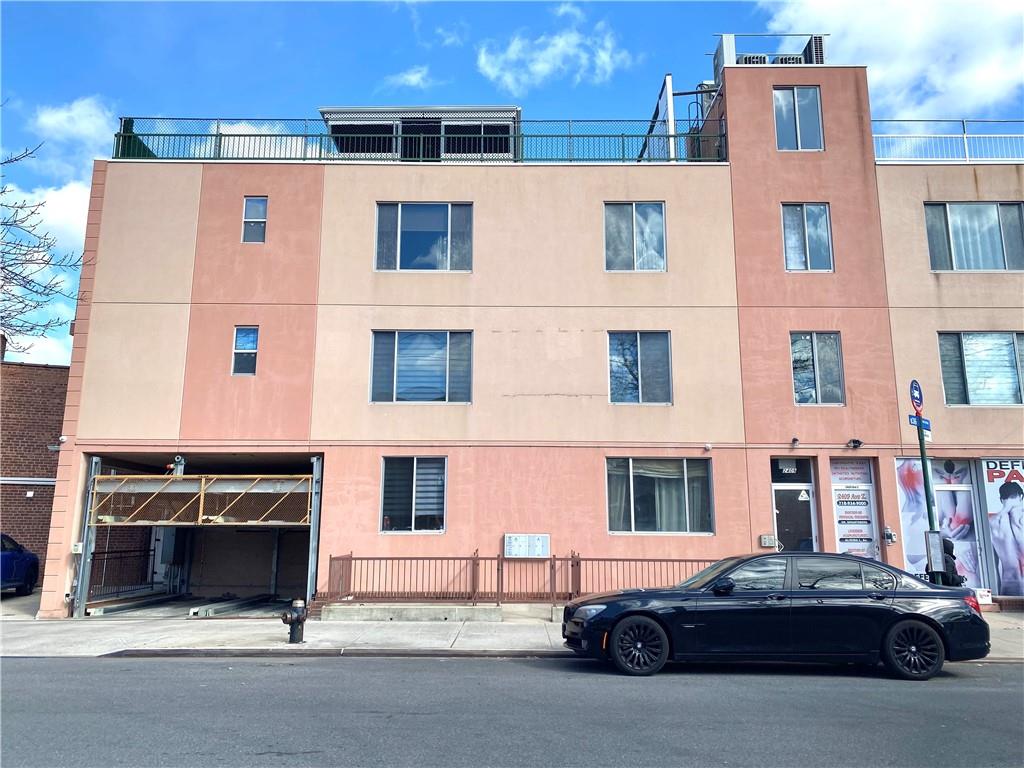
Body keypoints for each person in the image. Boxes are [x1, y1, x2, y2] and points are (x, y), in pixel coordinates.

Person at [990, 481, 1024, 595]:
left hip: (1009, 588)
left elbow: (992, 566)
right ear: (1021, 496)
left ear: (1001, 499)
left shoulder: (993, 523)